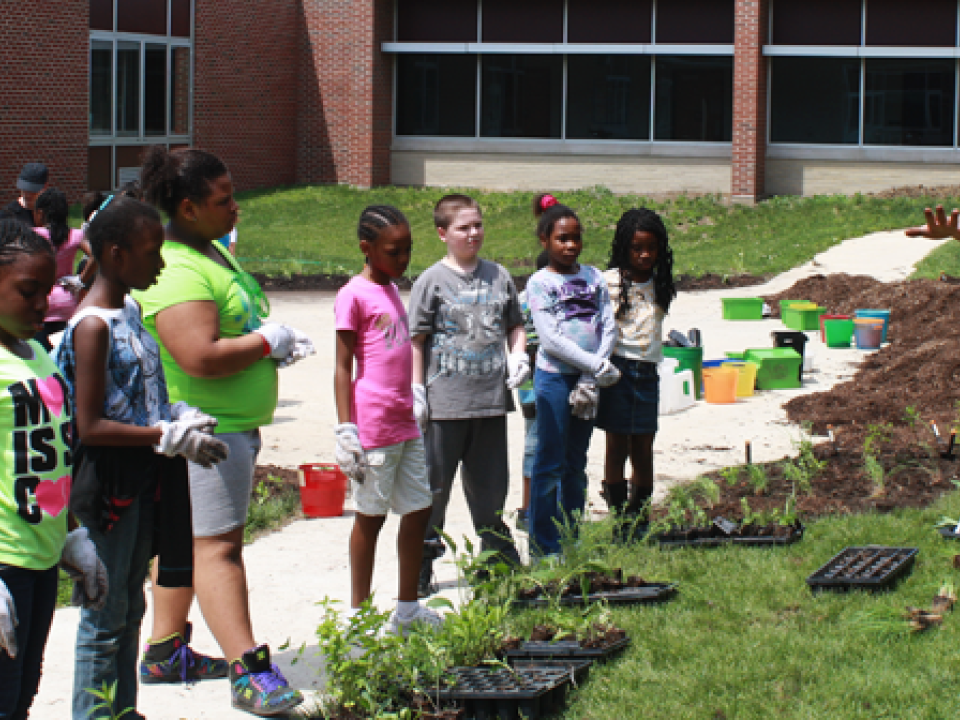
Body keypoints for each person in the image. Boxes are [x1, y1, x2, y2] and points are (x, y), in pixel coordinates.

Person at [133, 146, 312, 717]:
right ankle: (249, 670)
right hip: (208, 434)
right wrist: (265, 343)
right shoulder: (179, 266)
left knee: (187, 546)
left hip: (228, 426)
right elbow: (199, 355)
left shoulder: (209, 250)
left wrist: (267, 343)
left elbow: (232, 326)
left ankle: (165, 650)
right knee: (219, 549)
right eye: (224, 198)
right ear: (188, 207)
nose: (236, 207)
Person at [55, 195, 229, 720]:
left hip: (144, 478)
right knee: (105, 617)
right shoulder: (92, 328)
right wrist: (162, 432)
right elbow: (90, 426)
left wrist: (179, 413)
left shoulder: (129, 310)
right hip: (110, 488)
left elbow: (136, 395)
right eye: (152, 252)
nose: (160, 263)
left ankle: (122, 711)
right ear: (115, 253)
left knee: (132, 606)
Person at [0, 218, 107, 719]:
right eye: (28, 291)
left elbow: (51, 454)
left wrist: (71, 534)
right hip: (4, 566)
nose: (44, 305)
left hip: (40, 559)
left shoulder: (38, 353)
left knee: (22, 697)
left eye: (49, 290)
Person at [408, 194, 527, 596]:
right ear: (443, 233)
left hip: (490, 401)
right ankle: (421, 560)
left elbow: (515, 324)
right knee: (434, 487)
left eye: (478, 225)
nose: (473, 233)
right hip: (445, 404)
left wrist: (519, 355)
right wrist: (417, 390)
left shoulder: (499, 276)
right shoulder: (431, 282)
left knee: (491, 485)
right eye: (463, 227)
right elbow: (417, 340)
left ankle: (495, 553)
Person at [334, 205, 442, 634]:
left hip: (404, 421)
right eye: (394, 252)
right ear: (367, 248)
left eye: (408, 251)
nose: (403, 260)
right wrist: (347, 428)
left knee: (419, 508)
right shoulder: (353, 295)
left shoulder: (394, 291)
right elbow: (344, 366)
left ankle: (407, 610)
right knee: (371, 516)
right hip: (375, 423)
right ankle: (359, 615)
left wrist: (415, 392)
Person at [525, 201, 619, 558]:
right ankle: (543, 545)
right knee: (548, 463)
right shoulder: (540, 282)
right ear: (545, 240)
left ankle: (571, 535)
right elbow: (550, 340)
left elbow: (608, 326)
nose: (570, 246)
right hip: (553, 382)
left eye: (576, 238)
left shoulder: (594, 277)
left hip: (586, 383)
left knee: (575, 463)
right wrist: (594, 367)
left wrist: (590, 374)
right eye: (562, 239)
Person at [595, 208, 676, 540]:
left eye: (651, 248)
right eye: (637, 248)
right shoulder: (608, 281)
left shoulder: (661, 283)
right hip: (617, 372)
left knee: (643, 447)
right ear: (624, 247)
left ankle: (640, 518)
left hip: (647, 374)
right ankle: (618, 519)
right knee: (616, 446)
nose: (644, 255)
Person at [31, 189, 90, 350]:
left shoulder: (35, 235)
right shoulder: (75, 235)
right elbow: (97, 256)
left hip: (42, 302)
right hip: (67, 301)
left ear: (41, 213)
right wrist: (81, 279)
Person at [0, 163, 48, 228]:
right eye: (24, 189)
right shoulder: (8, 215)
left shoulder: (51, 211)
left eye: (32, 190)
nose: (27, 195)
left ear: (44, 187)